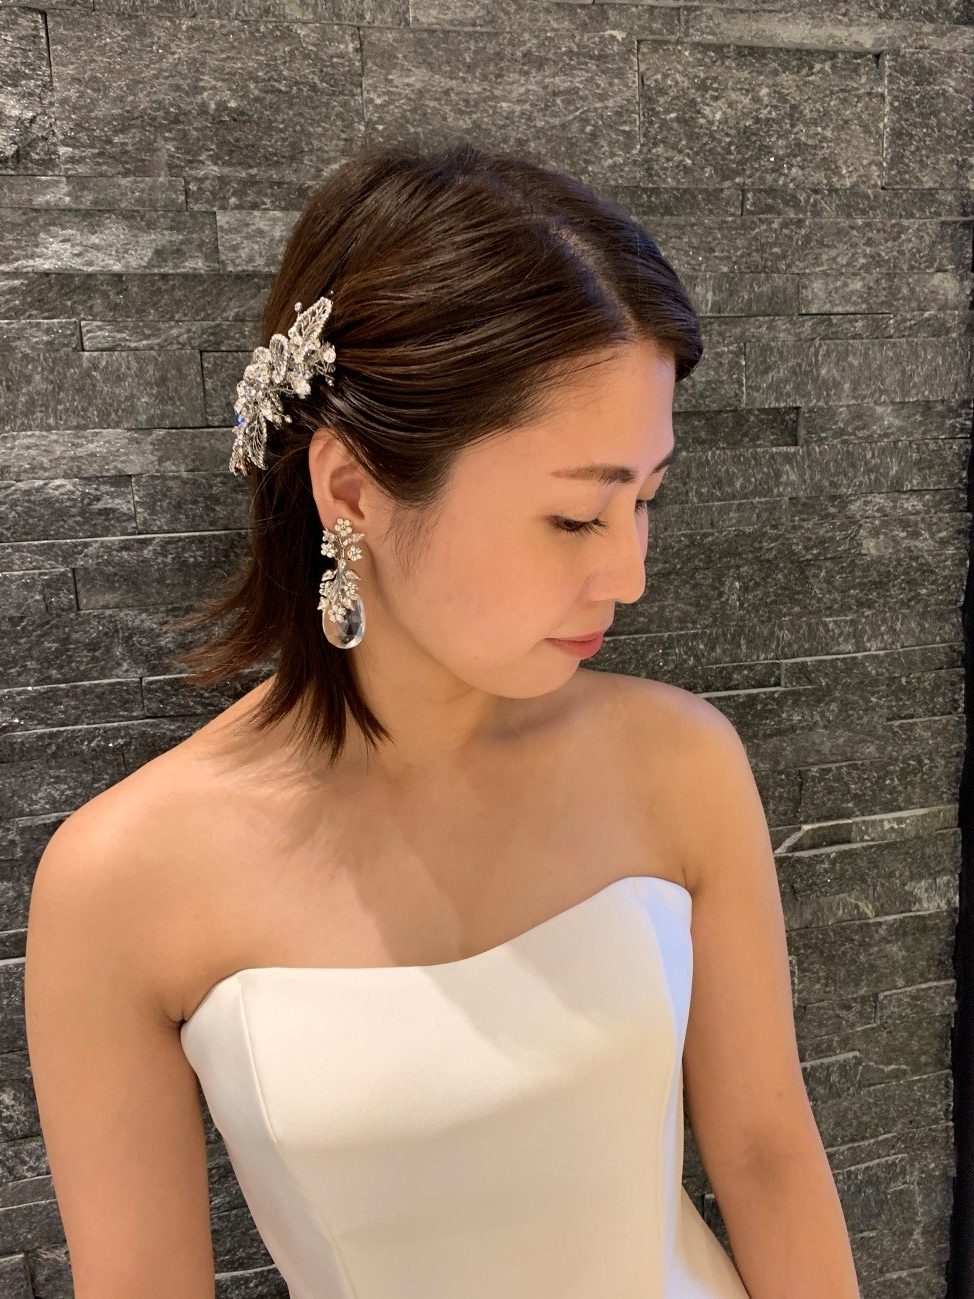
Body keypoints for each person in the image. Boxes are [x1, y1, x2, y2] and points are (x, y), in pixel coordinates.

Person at [23, 141, 861, 1298]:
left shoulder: (678, 763)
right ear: (352, 491)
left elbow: (766, 1154)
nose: (627, 574)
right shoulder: (122, 883)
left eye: (646, 500)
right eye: (574, 518)